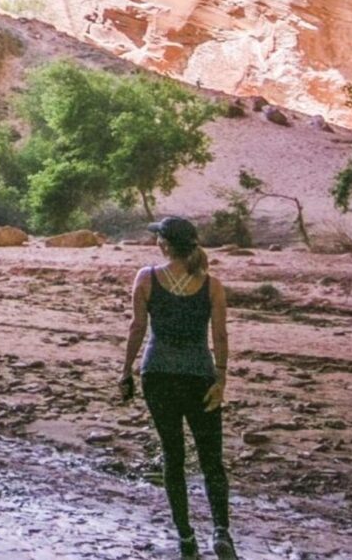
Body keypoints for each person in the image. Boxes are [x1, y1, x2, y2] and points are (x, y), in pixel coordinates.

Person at [122, 215, 235, 558]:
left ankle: (186, 539)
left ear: (166, 245)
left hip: (157, 375)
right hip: (199, 376)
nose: (156, 241)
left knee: (173, 456)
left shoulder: (146, 278)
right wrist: (221, 378)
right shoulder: (211, 285)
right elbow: (220, 335)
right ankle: (221, 533)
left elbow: (137, 328)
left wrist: (126, 370)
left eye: (159, 237)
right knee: (211, 459)